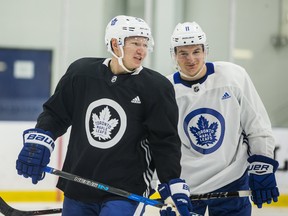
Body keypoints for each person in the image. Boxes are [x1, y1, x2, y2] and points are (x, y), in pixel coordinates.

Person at [15, 15, 193, 216]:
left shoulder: (156, 87)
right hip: (78, 184)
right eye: (135, 43)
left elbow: (164, 141)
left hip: (125, 191)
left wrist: (171, 183)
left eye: (145, 44)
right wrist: (40, 140)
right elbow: (56, 113)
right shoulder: (81, 73)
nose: (141, 50)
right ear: (115, 43)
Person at [160, 21, 280, 216]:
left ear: (205, 51)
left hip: (232, 180)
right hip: (187, 188)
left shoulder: (233, 76)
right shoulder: (166, 90)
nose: (191, 59)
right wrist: (167, 185)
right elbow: (161, 144)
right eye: (183, 53)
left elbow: (257, 125)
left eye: (196, 51)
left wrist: (262, 166)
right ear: (174, 55)